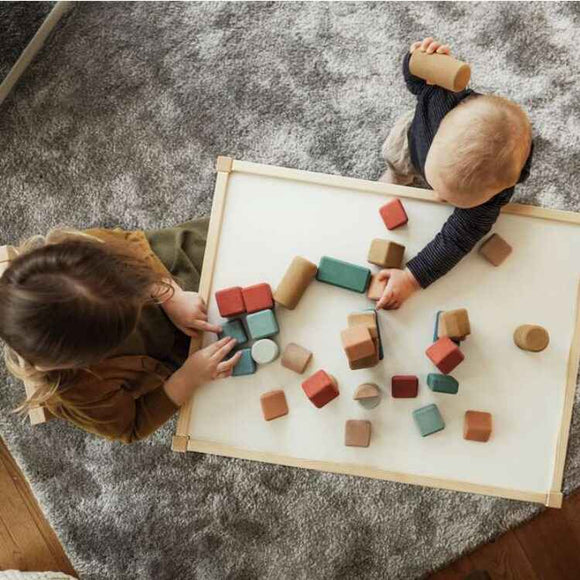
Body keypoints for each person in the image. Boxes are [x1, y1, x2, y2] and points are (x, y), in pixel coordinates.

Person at [0, 220, 241, 443]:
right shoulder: (78, 390)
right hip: (171, 356)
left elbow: (129, 250)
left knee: (229, 237)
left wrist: (170, 294)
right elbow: (132, 426)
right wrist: (188, 378)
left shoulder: (79, 254)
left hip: (163, 277)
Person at [377, 37, 533, 310]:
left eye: (453, 200)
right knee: (395, 167)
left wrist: (412, 278)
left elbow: (457, 239)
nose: (437, 197)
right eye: (439, 188)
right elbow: (414, 81)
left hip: (430, 155)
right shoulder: (440, 96)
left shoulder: (494, 193)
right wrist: (420, 59)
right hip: (411, 145)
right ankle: (397, 179)